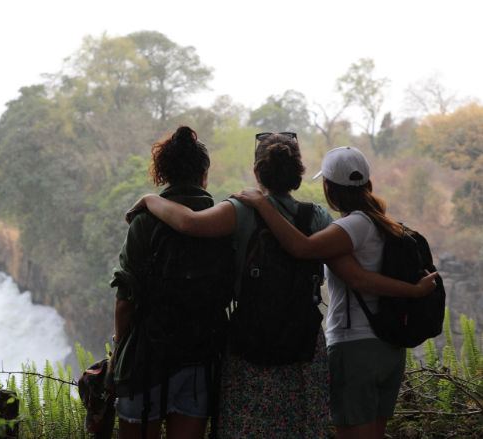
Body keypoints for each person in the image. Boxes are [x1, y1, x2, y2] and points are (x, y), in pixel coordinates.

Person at [126, 134, 436, 438]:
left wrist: (151, 200)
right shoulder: (317, 217)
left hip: (250, 347)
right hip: (303, 350)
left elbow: (188, 223)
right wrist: (412, 290)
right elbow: (352, 274)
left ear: (257, 173)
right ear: (298, 175)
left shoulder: (239, 210)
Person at [230, 146, 438, 439]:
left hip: (355, 350)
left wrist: (263, 205)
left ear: (328, 188)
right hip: (390, 349)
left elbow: (302, 248)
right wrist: (413, 291)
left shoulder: (352, 226)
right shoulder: (384, 224)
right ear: (368, 184)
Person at [110, 125, 230, 439]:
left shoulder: (144, 222)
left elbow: (125, 300)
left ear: (163, 174)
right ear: (204, 174)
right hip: (201, 359)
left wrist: (119, 350)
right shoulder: (224, 220)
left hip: (146, 359)